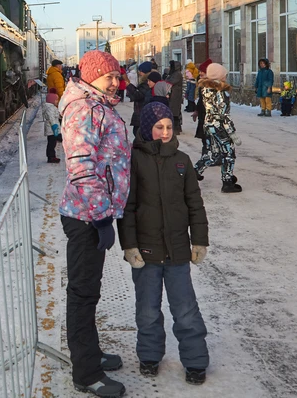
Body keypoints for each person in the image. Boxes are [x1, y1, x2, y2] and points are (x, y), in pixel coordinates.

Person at [118, 101, 209, 385]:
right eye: (159, 127)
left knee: (185, 309)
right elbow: (127, 206)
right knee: (147, 309)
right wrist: (129, 245)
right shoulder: (133, 160)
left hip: (178, 250)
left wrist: (200, 240)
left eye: (169, 126)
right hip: (145, 251)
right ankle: (149, 355)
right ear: (148, 128)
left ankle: (195, 361)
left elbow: (194, 203)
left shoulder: (182, 160)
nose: (166, 132)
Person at [58, 50, 130, 397]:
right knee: (83, 293)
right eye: (108, 76)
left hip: (92, 213)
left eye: (117, 76)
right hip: (85, 215)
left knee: (90, 291)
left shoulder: (98, 103)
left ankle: (91, 353)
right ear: (90, 76)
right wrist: (102, 216)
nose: (114, 82)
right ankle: (86, 373)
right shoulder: (84, 109)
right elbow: (83, 167)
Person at [194, 63, 242, 193]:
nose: (226, 77)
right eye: (224, 74)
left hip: (208, 124)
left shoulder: (206, 89)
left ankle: (194, 172)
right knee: (229, 153)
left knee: (213, 153)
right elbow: (224, 114)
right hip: (220, 126)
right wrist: (232, 133)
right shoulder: (221, 91)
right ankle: (227, 182)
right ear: (219, 76)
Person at [129, 61, 154, 139]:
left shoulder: (146, 82)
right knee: (137, 132)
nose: (139, 73)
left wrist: (129, 86)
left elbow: (139, 95)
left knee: (138, 132)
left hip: (142, 110)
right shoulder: (144, 81)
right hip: (140, 110)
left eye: (140, 71)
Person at [43, 92, 62, 163]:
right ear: (52, 101)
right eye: (56, 100)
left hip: (53, 129)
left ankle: (52, 156)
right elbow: (51, 118)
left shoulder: (52, 107)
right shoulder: (50, 108)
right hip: (51, 129)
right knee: (51, 143)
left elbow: (56, 115)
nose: (57, 101)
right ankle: (51, 157)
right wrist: (54, 127)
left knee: (53, 143)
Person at [167, 60, 184, 133]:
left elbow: (170, 81)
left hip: (176, 95)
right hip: (173, 94)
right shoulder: (174, 73)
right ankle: (177, 127)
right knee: (174, 111)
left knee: (175, 112)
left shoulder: (177, 74)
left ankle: (176, 128)